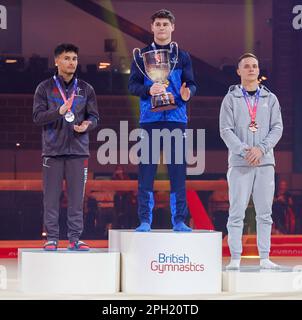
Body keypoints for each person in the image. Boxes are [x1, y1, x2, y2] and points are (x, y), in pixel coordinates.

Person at [128, 9, 196, 232]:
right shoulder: (141, 56)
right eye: (158, 24)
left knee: (177, 170)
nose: (161, 28)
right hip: (150, 119)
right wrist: (149, 88)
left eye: (165, 24)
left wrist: (188, 94)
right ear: (152, 27)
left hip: (176, 118)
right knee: (146, 170)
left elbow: (191, 84)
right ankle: (144, 220)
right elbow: (132, 86)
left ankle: (179, 220)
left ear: (172, 27)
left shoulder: (182, 56)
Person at [219, 52, 283, 269]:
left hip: (265, 163)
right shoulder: (230, 99)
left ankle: (264, 257)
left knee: (265, 213)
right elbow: (225, 130)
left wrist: (261, 149)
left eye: (254, 66)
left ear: (258, 70)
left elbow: (277, 128)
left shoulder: (270, 99)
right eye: (246, 66)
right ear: (239, 71)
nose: (251, 69)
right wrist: (246, 150)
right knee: (236, 212)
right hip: (240, 163)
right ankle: (235, 258)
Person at [33, 43, 99, 251]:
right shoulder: (44, 88)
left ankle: (74, 239)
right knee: (51, 198)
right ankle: (52, 237)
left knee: (76, 199)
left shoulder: (86, 89)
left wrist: (87, 125)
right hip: (52, 151)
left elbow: (94, 116)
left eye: (74, 59)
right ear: (57, 61)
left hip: (78, 151)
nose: (72, 62)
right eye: (67, 58)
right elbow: (37, 117)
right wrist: (59, 111)